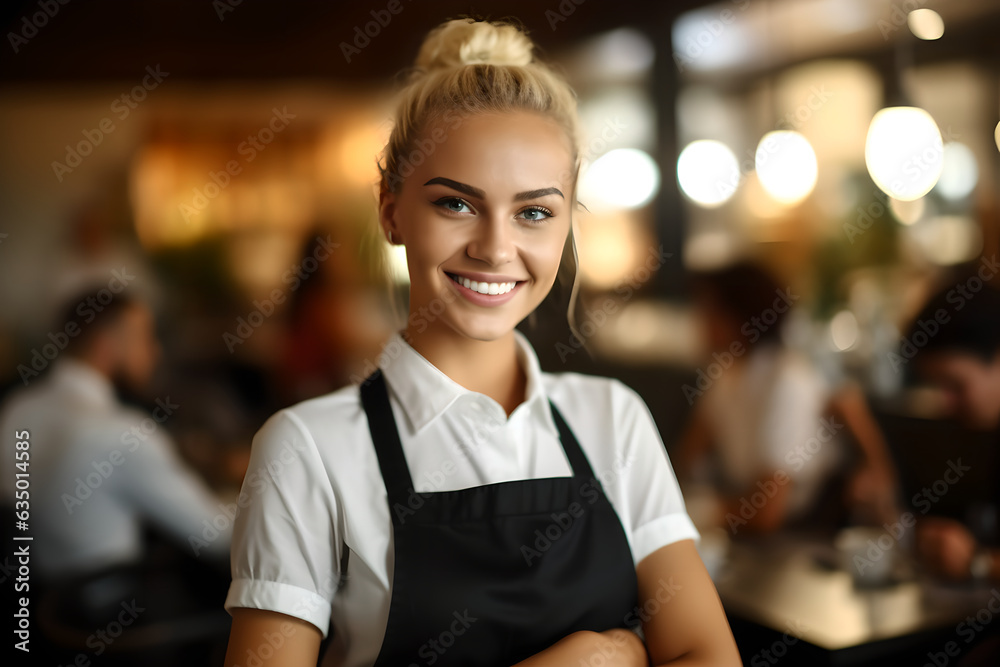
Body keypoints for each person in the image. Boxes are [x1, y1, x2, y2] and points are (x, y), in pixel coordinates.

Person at [223, 17, 740, 667]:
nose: (496, 248)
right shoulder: (306, 451)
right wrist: (593, 659)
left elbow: (708, 655)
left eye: (533, 212)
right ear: (390, 208)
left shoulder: (613, 419)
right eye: (457, 204)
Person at [676, 262, 899, 534]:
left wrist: (702, 512)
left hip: (807, 532)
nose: (697, 322)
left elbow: (768, 513)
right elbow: (685, 460)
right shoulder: (726, 375)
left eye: (707, 310)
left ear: (737, 317)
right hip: (754, 524)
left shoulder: (785, 381)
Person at [907, 275, 1000, 582]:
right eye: (937, 387)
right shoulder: (977, 433)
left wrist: (979, 564)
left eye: (956, 385)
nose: (947, 403)